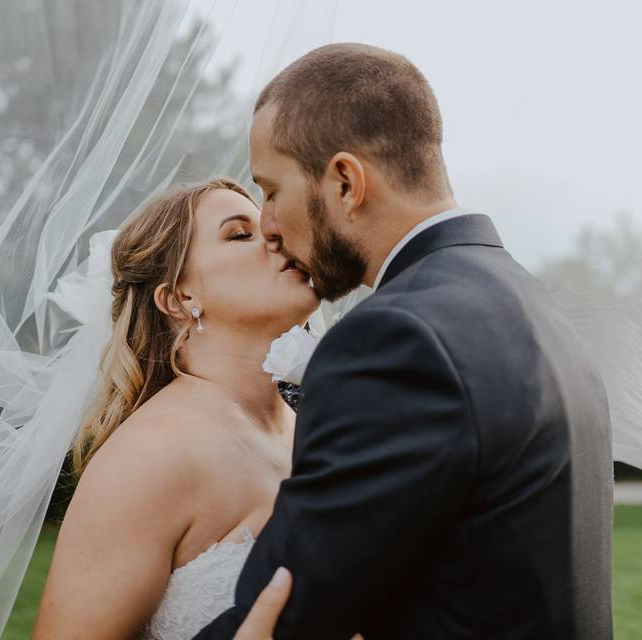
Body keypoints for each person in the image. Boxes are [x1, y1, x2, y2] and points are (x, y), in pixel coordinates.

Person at [193, 43, 614, 639]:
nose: (267, 224)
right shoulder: (527, 300)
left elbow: (284, 611)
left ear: (344, 181)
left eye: (271, 190)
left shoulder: (395, 339)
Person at [31, 178, 321, 639]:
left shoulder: (316, 426)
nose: (275, 234)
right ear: (180, 298)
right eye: (240, 234)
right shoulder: (151, 455)